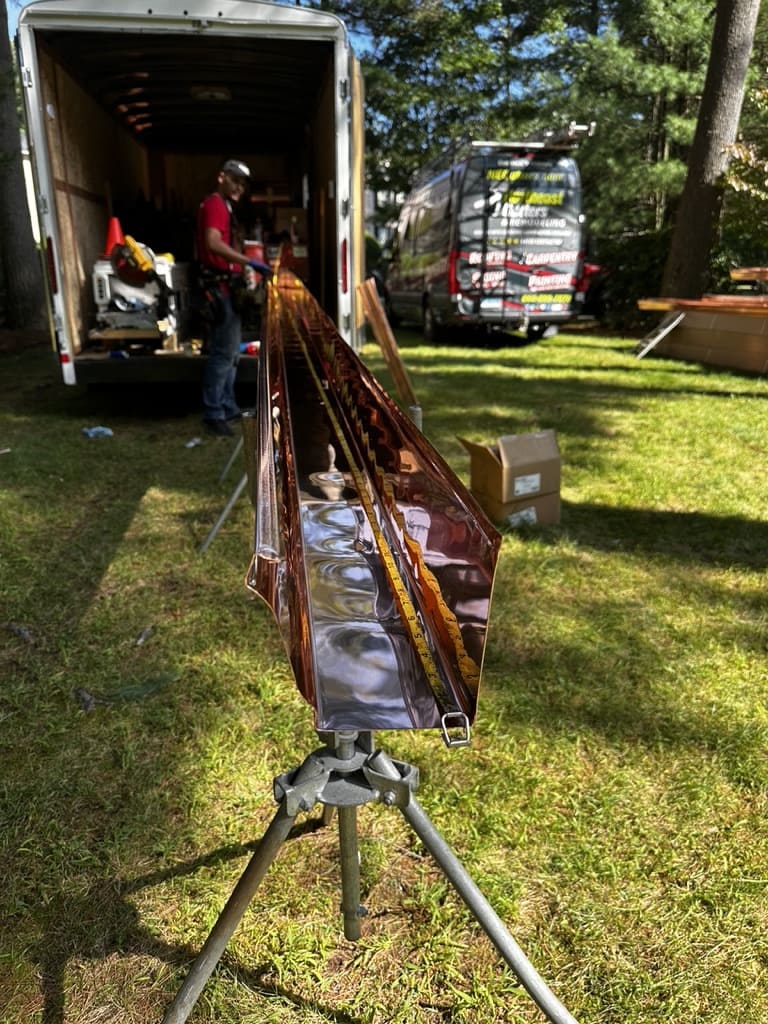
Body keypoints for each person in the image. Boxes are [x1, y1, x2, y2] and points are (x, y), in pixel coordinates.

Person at [196, 158, 271, 436]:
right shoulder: (216, 204)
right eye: (234, 180)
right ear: (221, 177)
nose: (239, 186)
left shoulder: (226, 206)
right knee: (222, 354)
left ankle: (227, 406)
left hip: (228, 288)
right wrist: (248, 262)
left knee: (231, 354)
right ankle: (214, 413)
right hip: (219, 289)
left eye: (242, 183)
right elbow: (212, 243)